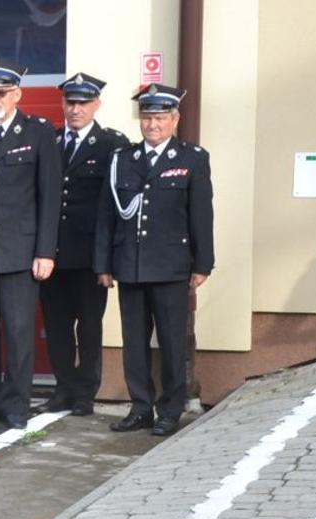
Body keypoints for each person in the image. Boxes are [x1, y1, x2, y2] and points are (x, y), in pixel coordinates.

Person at [95, 83, 213, 438]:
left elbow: (201, 215)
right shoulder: (122, 160)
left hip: (170, 266)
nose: (152, 125)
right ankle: (141, 407)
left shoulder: (192, 158)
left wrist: (203, 263)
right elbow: (106, 216)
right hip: (130, 264)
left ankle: (171, 409)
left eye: (160, 117)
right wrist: (103, 264)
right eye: (147, 118)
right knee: (134, 343)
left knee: (173, 342)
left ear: (174, 120)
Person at [0, 60, 62, 430]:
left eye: (1, 93)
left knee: (20, 332)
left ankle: (16, 403)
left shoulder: (37, 132)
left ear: (17, 94)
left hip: (20, 253)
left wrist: (45, 250)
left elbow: (49, 195)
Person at [40, 73, 128, 417]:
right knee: (57, 325)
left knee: (89, 326)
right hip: (54, 253)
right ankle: (63, 387)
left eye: (82, 103)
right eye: (70, 102)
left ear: (96, 105)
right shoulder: (51, 140)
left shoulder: (111, 145)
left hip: (91, 256)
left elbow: (114, 206)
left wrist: (107, 260)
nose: (75, 109)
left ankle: (85, 391)